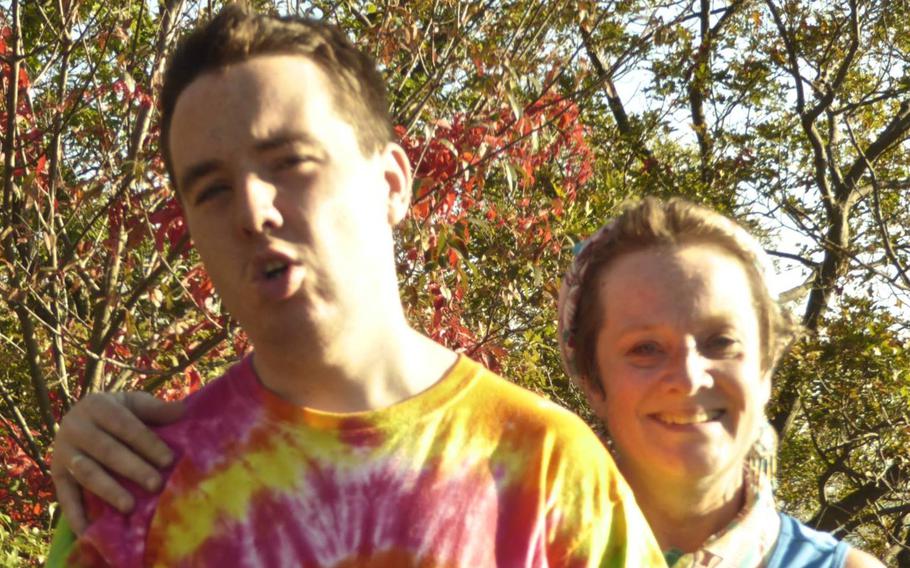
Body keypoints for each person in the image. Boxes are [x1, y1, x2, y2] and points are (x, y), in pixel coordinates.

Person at [46, 5, 666, 567]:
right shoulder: (135, 488)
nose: (252, 209)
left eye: (290, 162)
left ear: (392, 182)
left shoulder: (549, 473)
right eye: (211, 189)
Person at [556, 197, 884, 567]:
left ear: (765, 368)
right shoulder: (510, 553)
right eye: (645, 348)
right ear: (593, 381)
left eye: (721, 341)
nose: (689, 378)